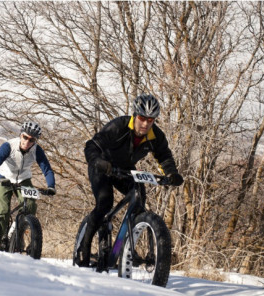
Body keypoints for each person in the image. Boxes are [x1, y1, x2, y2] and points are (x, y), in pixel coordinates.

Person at [75, 93, 183, 266]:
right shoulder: (118, 126)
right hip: (102, 166)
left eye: (151, 120)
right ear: (135, 115)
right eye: (142, 118)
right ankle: (84, 249)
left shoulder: (156, 136)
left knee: (139, 199)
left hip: (125, 168)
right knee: (105, 203)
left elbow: (164, 156)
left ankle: (125, 249)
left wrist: (171, 174)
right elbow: (92, 145)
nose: (146, 123)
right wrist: (98, 161)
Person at [0, 121, 56, 250]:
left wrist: (51, 186)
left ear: (35, 141)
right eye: (25, 137)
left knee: (30, 205)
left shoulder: (37, 150)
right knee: (3, 210)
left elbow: (47, 170)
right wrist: (0, 178)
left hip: (24, 179)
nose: (27, 142)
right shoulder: (8, 146)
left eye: (32, 140)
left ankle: (18, 236)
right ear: (21, 135)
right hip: (4, 178)